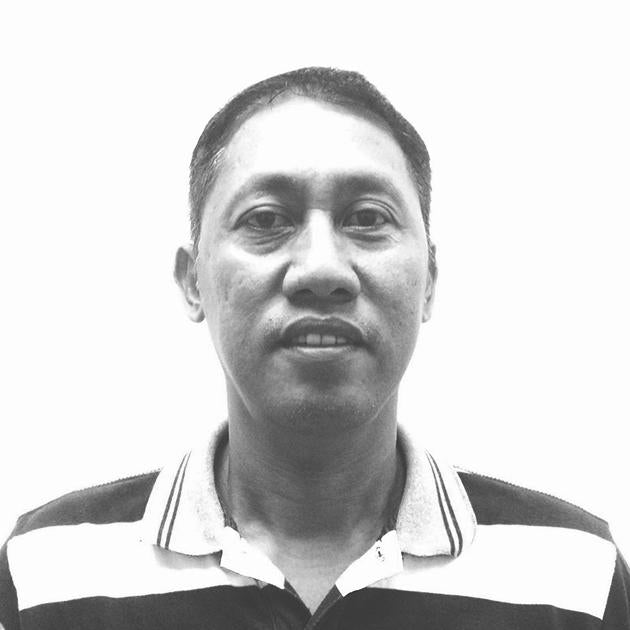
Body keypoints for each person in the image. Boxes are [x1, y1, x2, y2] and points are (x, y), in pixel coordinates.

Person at [1, 67, 628, 630]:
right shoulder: (50, 575)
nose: (321, 269)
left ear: (429, 282)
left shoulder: (573, 579)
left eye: (368, 218)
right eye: (266, 219)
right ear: (193, 282)